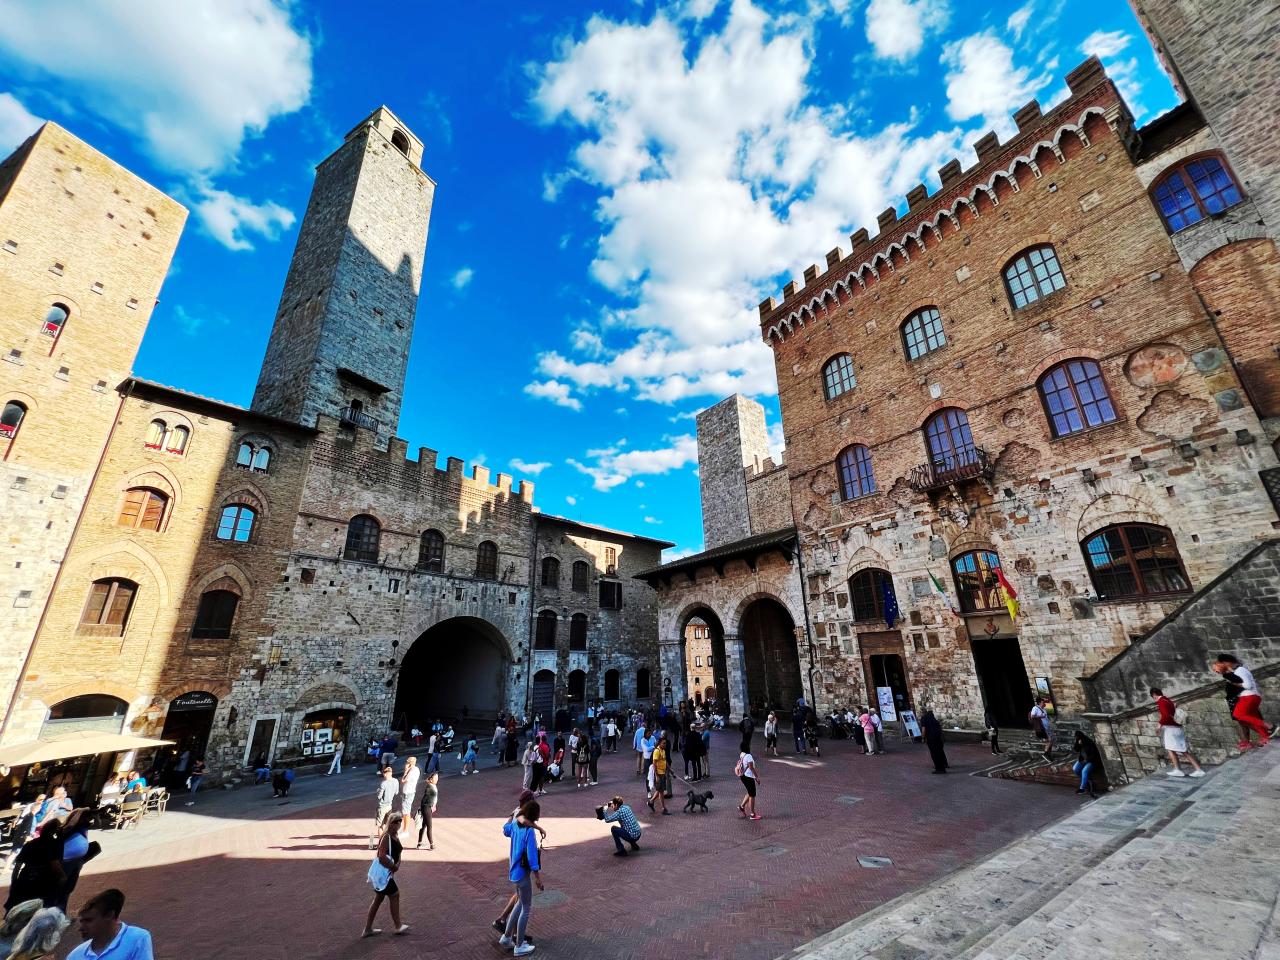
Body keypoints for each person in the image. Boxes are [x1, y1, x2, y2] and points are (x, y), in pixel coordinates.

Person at [499, 801, 542, 957]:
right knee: (526, 908)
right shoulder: (529, 832)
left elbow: (505, 829)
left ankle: (506, 937)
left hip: (514, 872)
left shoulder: (516, 825)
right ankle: (519, 945)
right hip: (523, 873)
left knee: (520, 904)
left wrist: (511, 816)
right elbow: (532, 857)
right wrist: (537, 877)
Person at [66, 888, 152, 960]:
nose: (80, 928)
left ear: (109, 915)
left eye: (88, 920)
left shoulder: (137, 938)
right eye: (81, 921)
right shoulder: (74, 956)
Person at [362, 812, 409, 938]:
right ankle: (398, 926)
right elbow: (381, 856)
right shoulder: (386, 837)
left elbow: (397, 851)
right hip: (384, 874)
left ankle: (367, 929)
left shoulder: (395, 835)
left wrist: (398, 863)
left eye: (400, 821)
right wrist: (393, 866)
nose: (399, 824)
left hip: (387, 874)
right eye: (397, 821)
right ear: (391, 823)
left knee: (378, 899)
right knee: (395, 895)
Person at [1213, 654, 1273, 748]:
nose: (1221, 665)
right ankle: (1266, 737)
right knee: (1251, 719)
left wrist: (1234, 683)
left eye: (1222, 663)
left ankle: (1269, 726)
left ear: (1227, 662)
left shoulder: (1240, 670)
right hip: (1250, 696)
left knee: (1238, 715)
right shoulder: (1236, 671)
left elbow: (1248, 685)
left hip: (1249, 696)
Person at [5, 819, 64, 910]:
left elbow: (17, 867)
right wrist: (62, 879)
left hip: (26, 878)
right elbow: (55, 865)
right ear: (55, 831)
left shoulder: (30, 844)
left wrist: (14, 883)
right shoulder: (54, 844)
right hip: (43, 881)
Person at [1151, 687, 1205, 777]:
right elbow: (1173, 709)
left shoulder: (1161, 702)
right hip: (1177, 728)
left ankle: (1193, 769)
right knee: (1177, 749)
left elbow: (1165, 716)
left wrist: (1158, 726)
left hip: (1171, 729)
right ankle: (1180, 769)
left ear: (1154, 695)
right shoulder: (1167, 700)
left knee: (1175, 750)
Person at [56, 808, 98, 910]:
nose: (90, 820)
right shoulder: (73, 828)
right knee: (63, 890)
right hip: (67, 862)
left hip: (75, 861)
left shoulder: (77, 827)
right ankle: (58, 912)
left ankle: (60, 911)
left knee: (66, 890)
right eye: (89, 818)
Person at [1071, 731, 1104, 797]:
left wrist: (1087, 760)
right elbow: (1076, 750)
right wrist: (1078, 743)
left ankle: (1082, 788)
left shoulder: (1089, 742)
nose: (1077, 739)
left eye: (1078, 738)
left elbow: (1094, 754)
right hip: (1082, 760)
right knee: (1075, 769)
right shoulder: (1078, 741)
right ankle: (1087, 781)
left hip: (1092, 761)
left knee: (1084, 771)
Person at [921, 709, 948, 773]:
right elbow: (940, 729)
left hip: (931, 738)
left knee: (934, 753)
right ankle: (944, 764)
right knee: (940, 752)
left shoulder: (924, 719)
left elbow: (923, 729)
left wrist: (922, 738)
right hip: (938, 738)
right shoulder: (934, 719)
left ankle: (939, 768)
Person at [737, 747, 761, 821]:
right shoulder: (749, 756)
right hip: (748, 777)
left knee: (749, 792)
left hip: (743, 776)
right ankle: (753, 814)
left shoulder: (742, 754)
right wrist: (756, 777)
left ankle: (742, 806)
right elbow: (751, 767)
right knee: (752, 795)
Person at [416, 772, 438, 850]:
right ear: (431, 780)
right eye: (435, 779)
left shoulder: (433, 786)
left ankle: (419, 843)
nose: (437, 780)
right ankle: (432, 844)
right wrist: (422, 808)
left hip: (428, 808)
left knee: (424, 826)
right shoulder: (429, 788)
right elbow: (424, 799)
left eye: (437, 778)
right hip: (427, 808)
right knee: (429, 826)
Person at [399, 756, 420, 834]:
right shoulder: (416, 770)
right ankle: (405, 829)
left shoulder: (412, 771)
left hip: (408, 792)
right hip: (409, 792)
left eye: (407, 762)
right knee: (406, 811)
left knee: (406, 812)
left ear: (410, 763)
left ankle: (405, 830)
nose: (406, 764)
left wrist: (405, 771)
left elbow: (403, 780)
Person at [648, 738, 669, 814]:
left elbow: (664, 761)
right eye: (663, 743)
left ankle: (651, 802)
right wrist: (656, 776)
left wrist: (670, 770)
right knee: (661, 792)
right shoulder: (657, 751)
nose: (665, 744)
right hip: (659, 774)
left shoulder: (663, 751)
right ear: (659, 743)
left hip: (663, 773)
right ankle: (663, 808)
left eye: (665, 743)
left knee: (660, 790)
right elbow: (654, 764)